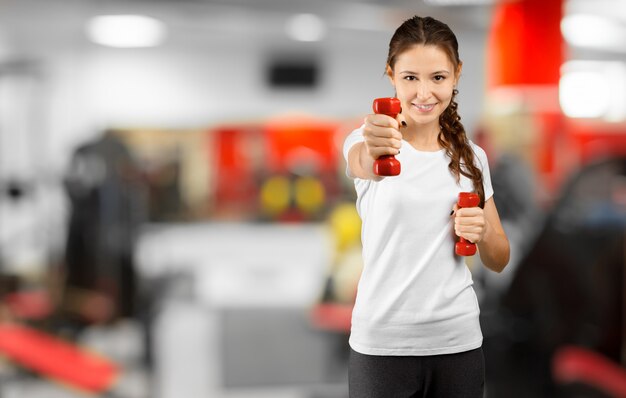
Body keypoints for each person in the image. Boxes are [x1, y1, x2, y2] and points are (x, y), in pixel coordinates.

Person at [343, 15, 510, 397]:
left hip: (459, 343)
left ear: (456, 75)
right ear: (391, 75)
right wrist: (375, 145)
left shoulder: (472, 158)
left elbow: (499, 259)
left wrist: (481, 232)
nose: (424, 93)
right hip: (383, 345)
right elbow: (362, 161)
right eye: (410, 78)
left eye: (437, 77)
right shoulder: (367, 140)